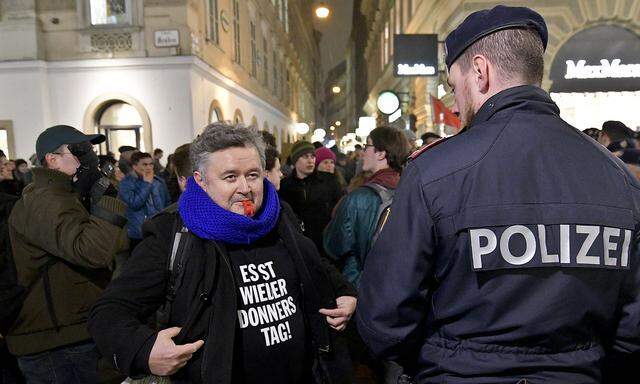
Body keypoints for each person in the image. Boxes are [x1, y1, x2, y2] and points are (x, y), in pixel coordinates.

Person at [356, 6, 640, 384]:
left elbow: (385, 318)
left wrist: (437, 364)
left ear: (480, 71)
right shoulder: (617, 176)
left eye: (454, 88)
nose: (454, 105)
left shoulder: (433, 172)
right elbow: (632, 325)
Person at [89, 123, 357, 384]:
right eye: (230, 177)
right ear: (201, 181)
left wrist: (344, 291)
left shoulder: (279, 215)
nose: (245, 188)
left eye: (253, 175)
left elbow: (312, 261)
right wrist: (143, 350)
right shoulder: (173, 232)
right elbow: (110, 311)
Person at [6, 125, 129, 383]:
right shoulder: (44, 198)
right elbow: (93, 252)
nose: (90, 159)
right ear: (52, 160)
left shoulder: (66, 195)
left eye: (90, 151)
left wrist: (100, 197)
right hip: (54, 341)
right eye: (80, 152)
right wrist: (106, 202)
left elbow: (116, 245)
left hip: (73, 330)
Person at [324, 126, 410, 286]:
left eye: (367, 146)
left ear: (381, 153)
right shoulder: (411, 189)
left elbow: (334, 245)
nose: (363, 152)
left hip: (365, 288)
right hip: (404, 286)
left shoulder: (359, 197)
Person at [279, 141, 344, 253]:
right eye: (305, 157)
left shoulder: (328, 181)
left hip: (325, 243)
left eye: (313, 156)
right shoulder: (285, 186)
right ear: (295, 160)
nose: (310, 160)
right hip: (299, 244)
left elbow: (341, 210)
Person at [118, 152, 171, 250]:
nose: (149, 167)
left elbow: (167, 203)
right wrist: (146, 184)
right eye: (144, 164)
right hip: (138, 233)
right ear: (134, 166)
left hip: (159, 230)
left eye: (151, 164)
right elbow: (134, 204)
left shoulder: (159, 181)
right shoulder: (126, 184)